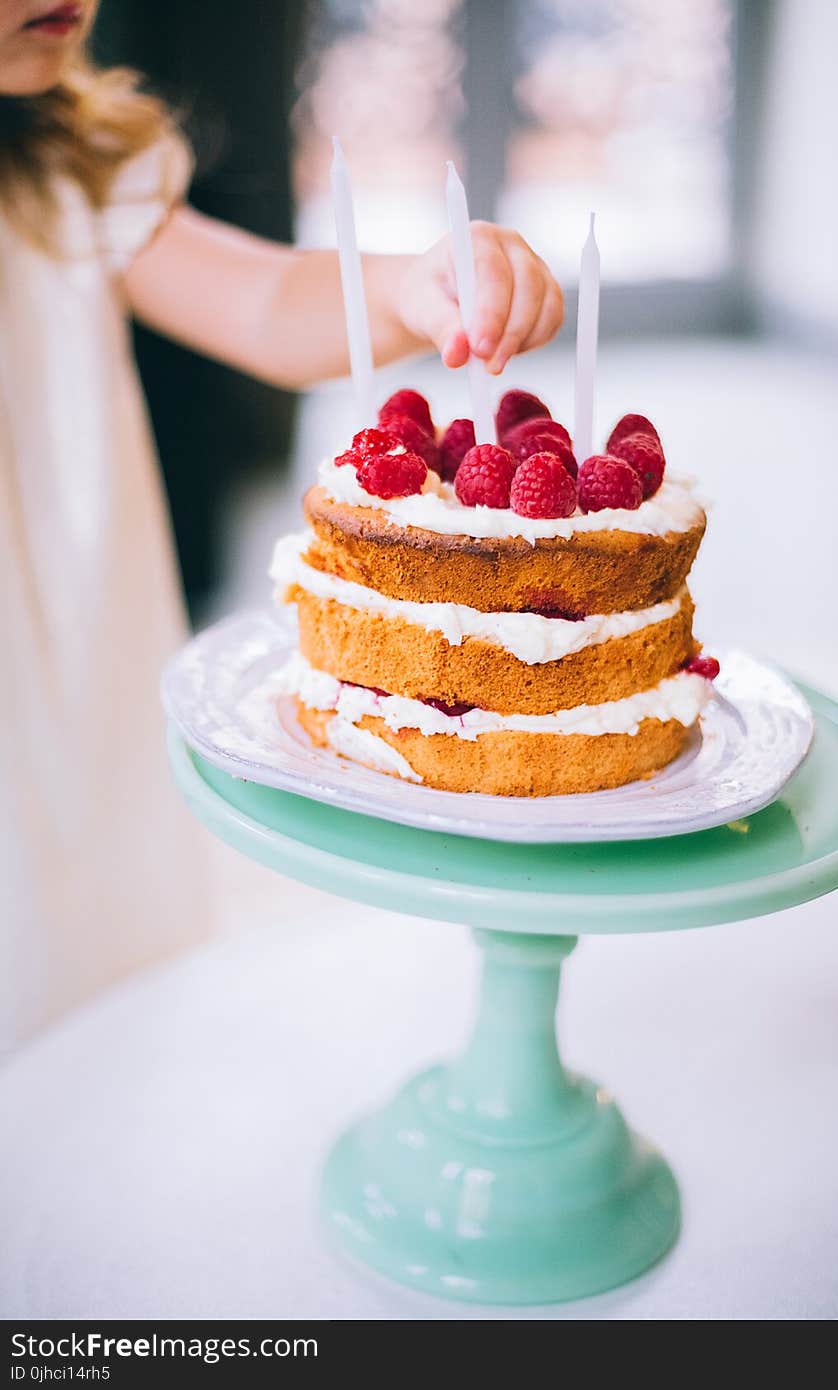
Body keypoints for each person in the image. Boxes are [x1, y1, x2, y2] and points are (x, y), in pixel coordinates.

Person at [0, 1, 565, 1049]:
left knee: (97, 994)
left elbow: (258, 303)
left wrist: (409, 287)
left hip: (79, 686)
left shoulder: (63, 169)